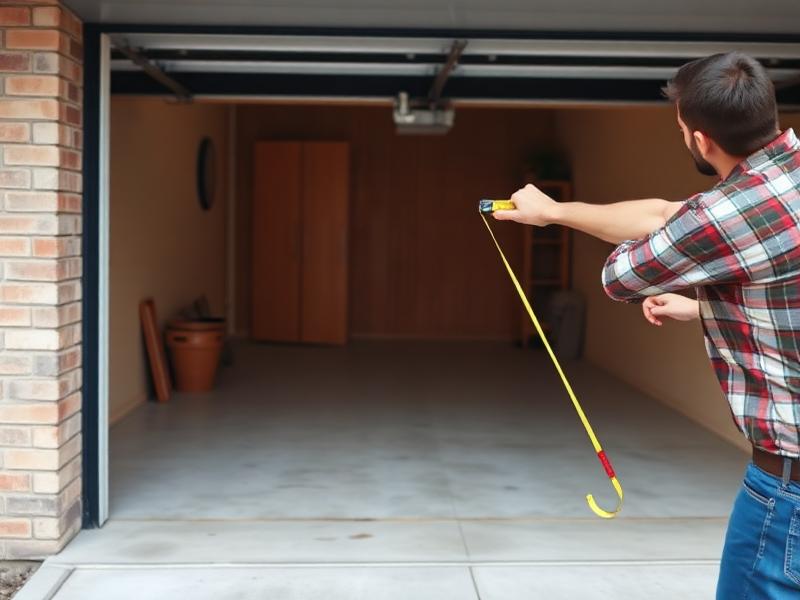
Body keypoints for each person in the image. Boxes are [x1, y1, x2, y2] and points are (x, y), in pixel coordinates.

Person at [494, 52, 800, 599]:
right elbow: (673, 217)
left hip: (788, 490)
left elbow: (624, 273)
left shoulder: (721, 218)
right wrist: (558, 212)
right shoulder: (782, 176)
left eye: (682, 129)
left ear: (701, 140)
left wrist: (557, 211)